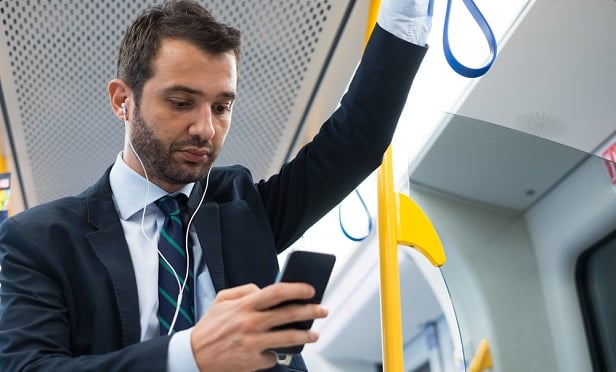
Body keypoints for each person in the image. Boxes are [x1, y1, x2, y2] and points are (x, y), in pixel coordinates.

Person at [0, 0, 432, 370]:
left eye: (222, 106)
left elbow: (356, 142)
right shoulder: (38, 241)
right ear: (122, 100)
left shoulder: (241, 206)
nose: (206, 128)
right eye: (181, 102)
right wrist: (189, 356)